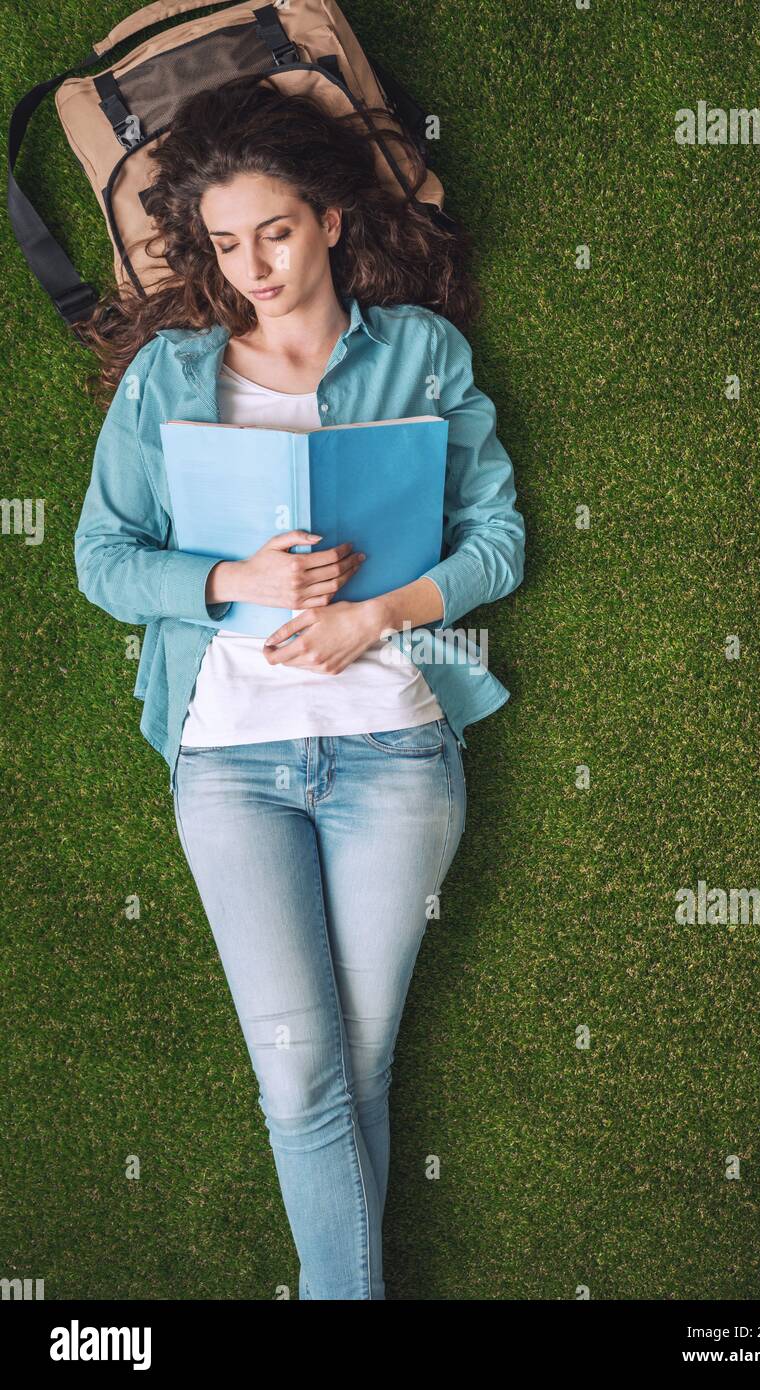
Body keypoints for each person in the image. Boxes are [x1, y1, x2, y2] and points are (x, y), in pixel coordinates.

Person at [73, 75, 524, 1299]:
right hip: (229, 763)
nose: (255, 266)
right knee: (299, 1073)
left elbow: (499, 542)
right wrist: (232, 575)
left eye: (274, 230)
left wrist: (373, 613)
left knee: (352, 1069)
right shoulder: (172, 375)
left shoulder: (421, 352)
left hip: (395, 752)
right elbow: (103, 561)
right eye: (227, 243)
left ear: (327, 217)